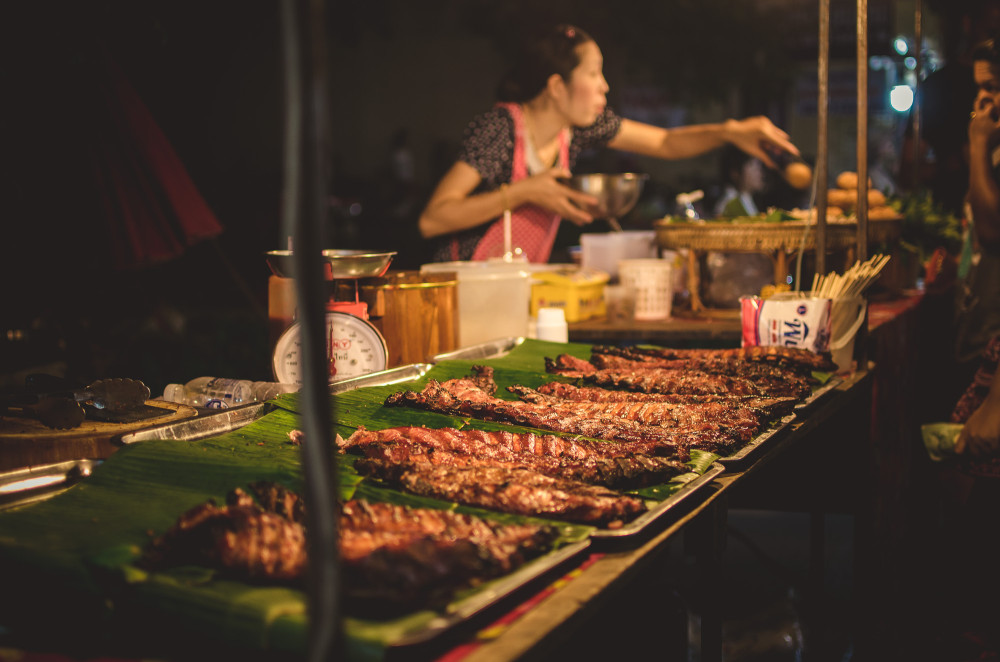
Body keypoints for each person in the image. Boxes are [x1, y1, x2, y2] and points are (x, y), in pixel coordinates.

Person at [418, 24, 800, 264]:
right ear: (556, 86)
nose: (605, 86)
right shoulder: (499, 128)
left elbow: (665, 142)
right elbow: (433, 218)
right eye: (593, 73)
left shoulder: (579, 128)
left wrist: (729, 131)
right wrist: (523, 192)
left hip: (514, 289)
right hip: (459, 291)